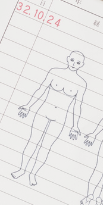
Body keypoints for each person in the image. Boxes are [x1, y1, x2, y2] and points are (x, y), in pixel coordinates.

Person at [11, 51, 88, 186]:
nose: (74, 64)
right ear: (68, 59)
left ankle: (33, 174)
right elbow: (41, 90)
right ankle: (22, 170)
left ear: (82, 65)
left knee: (46, 147)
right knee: (32, 141)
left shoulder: (81, 83)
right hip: (43, 111)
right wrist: (28, 106)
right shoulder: (55, 72)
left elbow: (78, 105)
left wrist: (75, 125)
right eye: (72, 60)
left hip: (60, 118)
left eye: (78, 63)